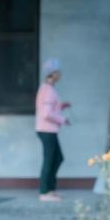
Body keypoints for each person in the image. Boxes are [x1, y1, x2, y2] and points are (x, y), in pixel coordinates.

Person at [34, 58, 70, 201]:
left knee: (57, 158)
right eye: (58, 72)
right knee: (50, 160)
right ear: (52, 73)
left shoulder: (48, 88)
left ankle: (50, 190)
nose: (60, 74)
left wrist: (61, 106)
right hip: (46, 130)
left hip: (48, 130)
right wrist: (63, 119)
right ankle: (44, 192)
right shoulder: (48, 90)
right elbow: (46, 114)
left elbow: (49, 108)